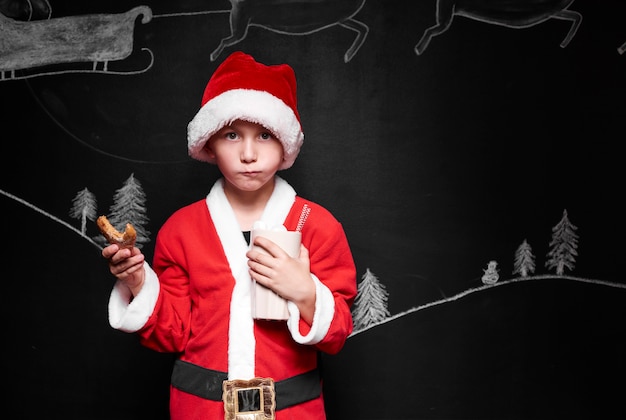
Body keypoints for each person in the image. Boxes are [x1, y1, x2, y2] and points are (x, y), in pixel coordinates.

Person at [102, 51, 357, 420]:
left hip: (291, 411)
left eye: (265, 135)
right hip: (200, 409)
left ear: (285, 144)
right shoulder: (181, 228)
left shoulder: (316, 224)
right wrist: (141, 283)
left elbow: (338, 333)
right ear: (209, 143)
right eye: (232, 135)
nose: (249, 154)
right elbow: (172, 333)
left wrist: (305, 293)